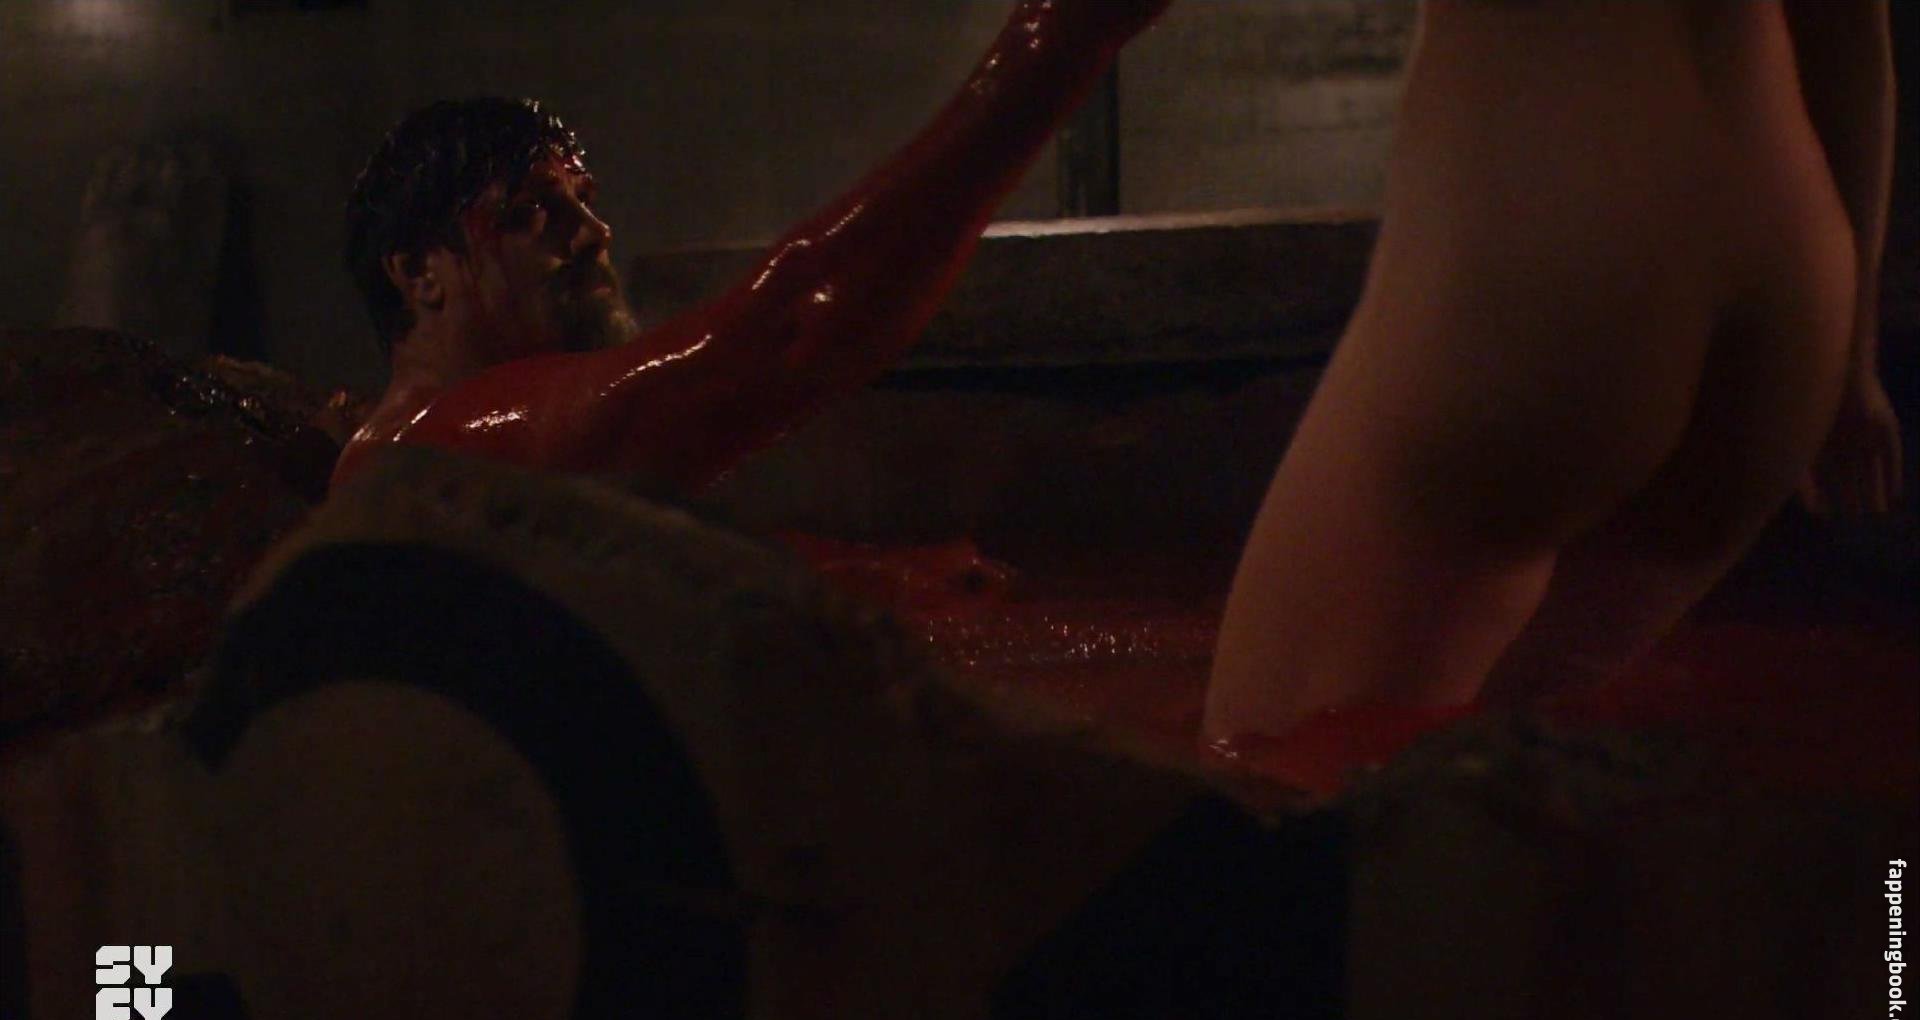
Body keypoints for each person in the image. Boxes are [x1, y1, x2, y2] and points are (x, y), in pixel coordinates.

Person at [1205, 0, 1904, 758]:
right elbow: (1848, 25)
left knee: (1269, 761)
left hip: (1559, 232)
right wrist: (1853, 361)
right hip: (1791, 277)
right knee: (1517, 768)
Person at [333, 0, 1172, 493]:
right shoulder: (435, 453)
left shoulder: (461, 471)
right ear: (420, 273)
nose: (593, 232)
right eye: (530, 214)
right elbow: (791, 332)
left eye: (583, 203)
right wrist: (1057, 40)